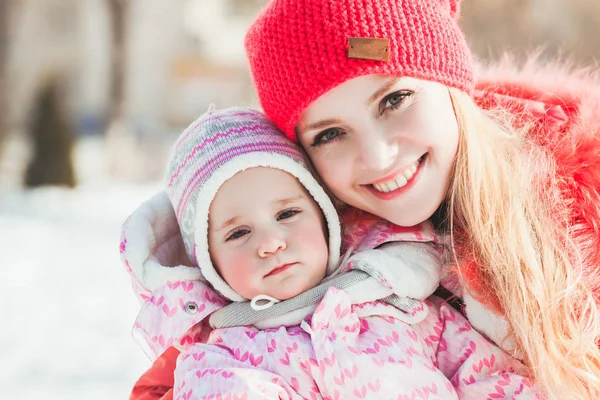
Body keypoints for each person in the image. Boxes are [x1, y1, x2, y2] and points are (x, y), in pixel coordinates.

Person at [241, 0, 600, 398]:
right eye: (328, 135)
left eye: (394, 100)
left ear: (450, 83)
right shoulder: (307, 257)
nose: (378, 156)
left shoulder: (583, 204)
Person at [122, 106, 538, 399]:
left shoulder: (401, 307)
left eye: (287, 213)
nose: (270, 243)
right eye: (239, 233)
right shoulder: (223, 359)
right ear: (208, 263)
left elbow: (490, 378)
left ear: (325, 218)